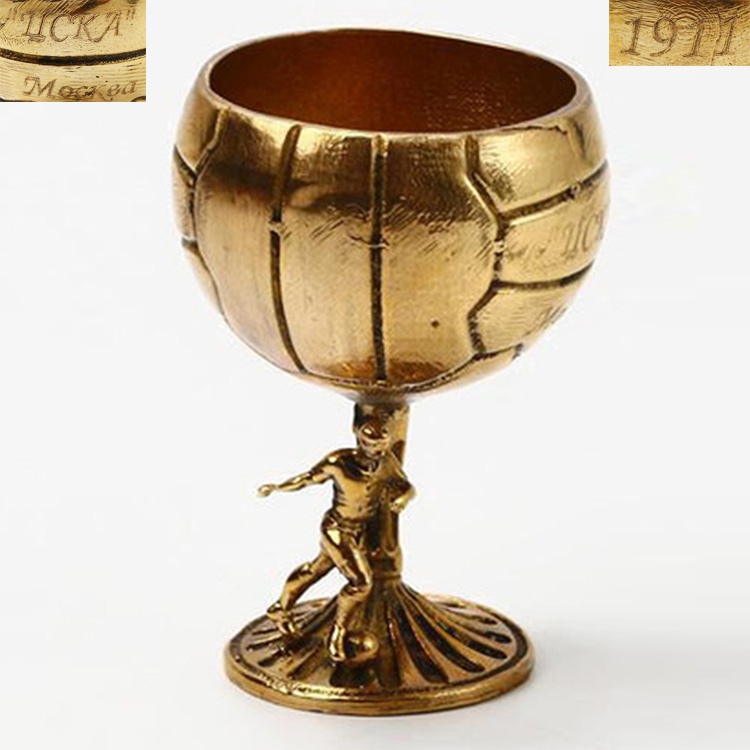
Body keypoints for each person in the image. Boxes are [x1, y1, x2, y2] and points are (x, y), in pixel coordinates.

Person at [258, 418, 414, 663]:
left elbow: (405, 485)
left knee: (315, 569)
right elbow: (307, 478)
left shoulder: (386, 462)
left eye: (382, 445)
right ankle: (338, 633)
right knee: (361, 583)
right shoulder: (339, 463)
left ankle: (281, 607)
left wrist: (403, 498)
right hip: (337, 529)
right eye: (371, 445)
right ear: (359, 439)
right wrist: (277, 487)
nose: (377, 451)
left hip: (361, 531)